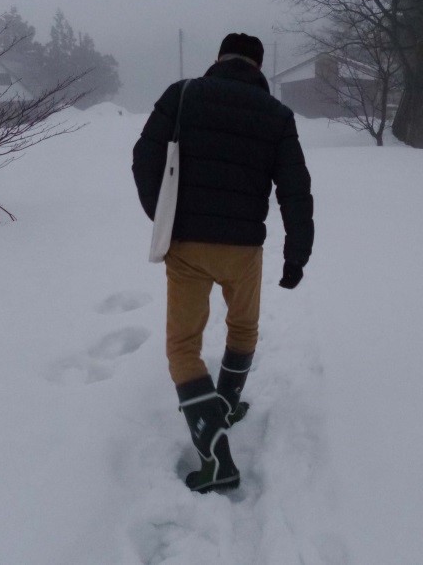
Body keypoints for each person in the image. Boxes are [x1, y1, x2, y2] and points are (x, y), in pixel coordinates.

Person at [132, 33, 314, 493]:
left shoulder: (183, 95)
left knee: (183, 348)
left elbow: (143, 158)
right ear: (258, 66)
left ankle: (216, 458)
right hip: (243, 250)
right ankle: (226, 406)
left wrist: (163, 217)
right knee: (243, 329)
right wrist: (297, 254)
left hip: (188, 246)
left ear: (219, 59)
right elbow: (295, 190)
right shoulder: (277, 116)